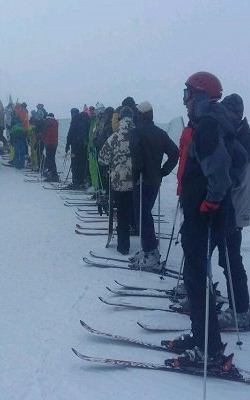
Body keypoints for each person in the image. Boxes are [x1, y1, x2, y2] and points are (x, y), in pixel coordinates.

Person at [165, 71, 236, 369]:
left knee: (196, 279)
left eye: (187, 96)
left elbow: (220, 170)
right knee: (194, 279)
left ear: (200, 96)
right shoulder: (209, 123)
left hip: (204, 217)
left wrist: (210, 203)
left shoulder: (207, 126)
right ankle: (201, 336)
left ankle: (209, 349)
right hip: (200, 214)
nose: (185, 103)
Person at [216, 93, 250, 328]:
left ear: (235, 114)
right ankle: (227, 301)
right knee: (221, 255)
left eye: (227, 112)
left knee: (231, 258)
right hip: (226, 205)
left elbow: (238, 176)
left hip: (234, 206)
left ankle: (240, 310)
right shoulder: (235, 133)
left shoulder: (245, 137)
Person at [129, 101, 178, 267]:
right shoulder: (160, 133)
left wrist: (137, 171)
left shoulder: (136, 132)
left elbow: (135, 153)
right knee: (146, 214)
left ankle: (151, 252)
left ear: (140, 115)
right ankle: (148, 248)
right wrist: (163, 171)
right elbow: (174, 153)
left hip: (141, 179)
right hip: (154, 180)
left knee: (141, 216)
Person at [98, 106, 136, 255]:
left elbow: (102, 159)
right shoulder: (137, 136)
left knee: (121, 212)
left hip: (118, 182)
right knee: (134, 209)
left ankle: (123, 246)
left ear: (120, 120)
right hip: (135, 182)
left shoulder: (114, 137)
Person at [65, 108, 89, 189]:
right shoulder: (85, 120)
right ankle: (81, 181)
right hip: (84, 146)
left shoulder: (74, 120)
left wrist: (67, 145)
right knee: (82, 163)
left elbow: (70, 133)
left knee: (75, 164)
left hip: (75, 146)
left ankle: (76, 182)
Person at [42, 113, 59, 182]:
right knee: (52, 158)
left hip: (48, 142)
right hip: (55, 143)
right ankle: (53, 173)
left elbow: (44, 132)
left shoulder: (47, 122)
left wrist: (41, 137)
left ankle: (53, 175)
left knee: (49, 159)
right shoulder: (56, 123)